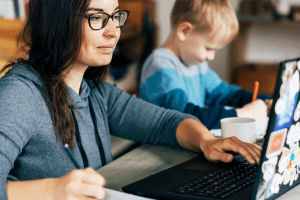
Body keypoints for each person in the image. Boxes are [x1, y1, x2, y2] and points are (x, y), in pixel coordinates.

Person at [0, 0, 262, 199]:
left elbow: (165, 122)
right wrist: (53, 190)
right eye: (96, 18)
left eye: (115, 17)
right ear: (57, 22)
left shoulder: (97, 93)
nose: (114, 31)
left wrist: (206, 141)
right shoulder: (20, 94)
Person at [140, 0, 273, 130]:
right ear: (184, 31)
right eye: (209, 49)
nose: (211, 56)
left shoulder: (195, 62)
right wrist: (242, 114)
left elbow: (226, 94)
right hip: (160, 148)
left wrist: (266, 102)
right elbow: (186, 118)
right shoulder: (160, 67)